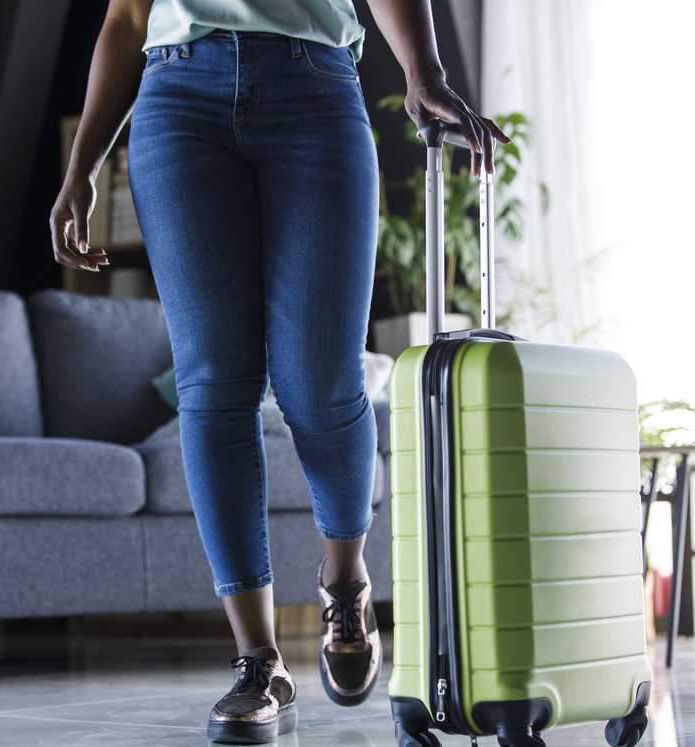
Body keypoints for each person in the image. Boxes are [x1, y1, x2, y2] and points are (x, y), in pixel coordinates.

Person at [50, 1, 508, 742]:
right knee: (212, 387)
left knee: (321, 385)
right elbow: (129, 18)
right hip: (178, 96)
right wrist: (84, 165)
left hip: (315, 89)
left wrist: (424, 70)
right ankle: (257, 660)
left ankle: (344, 579)